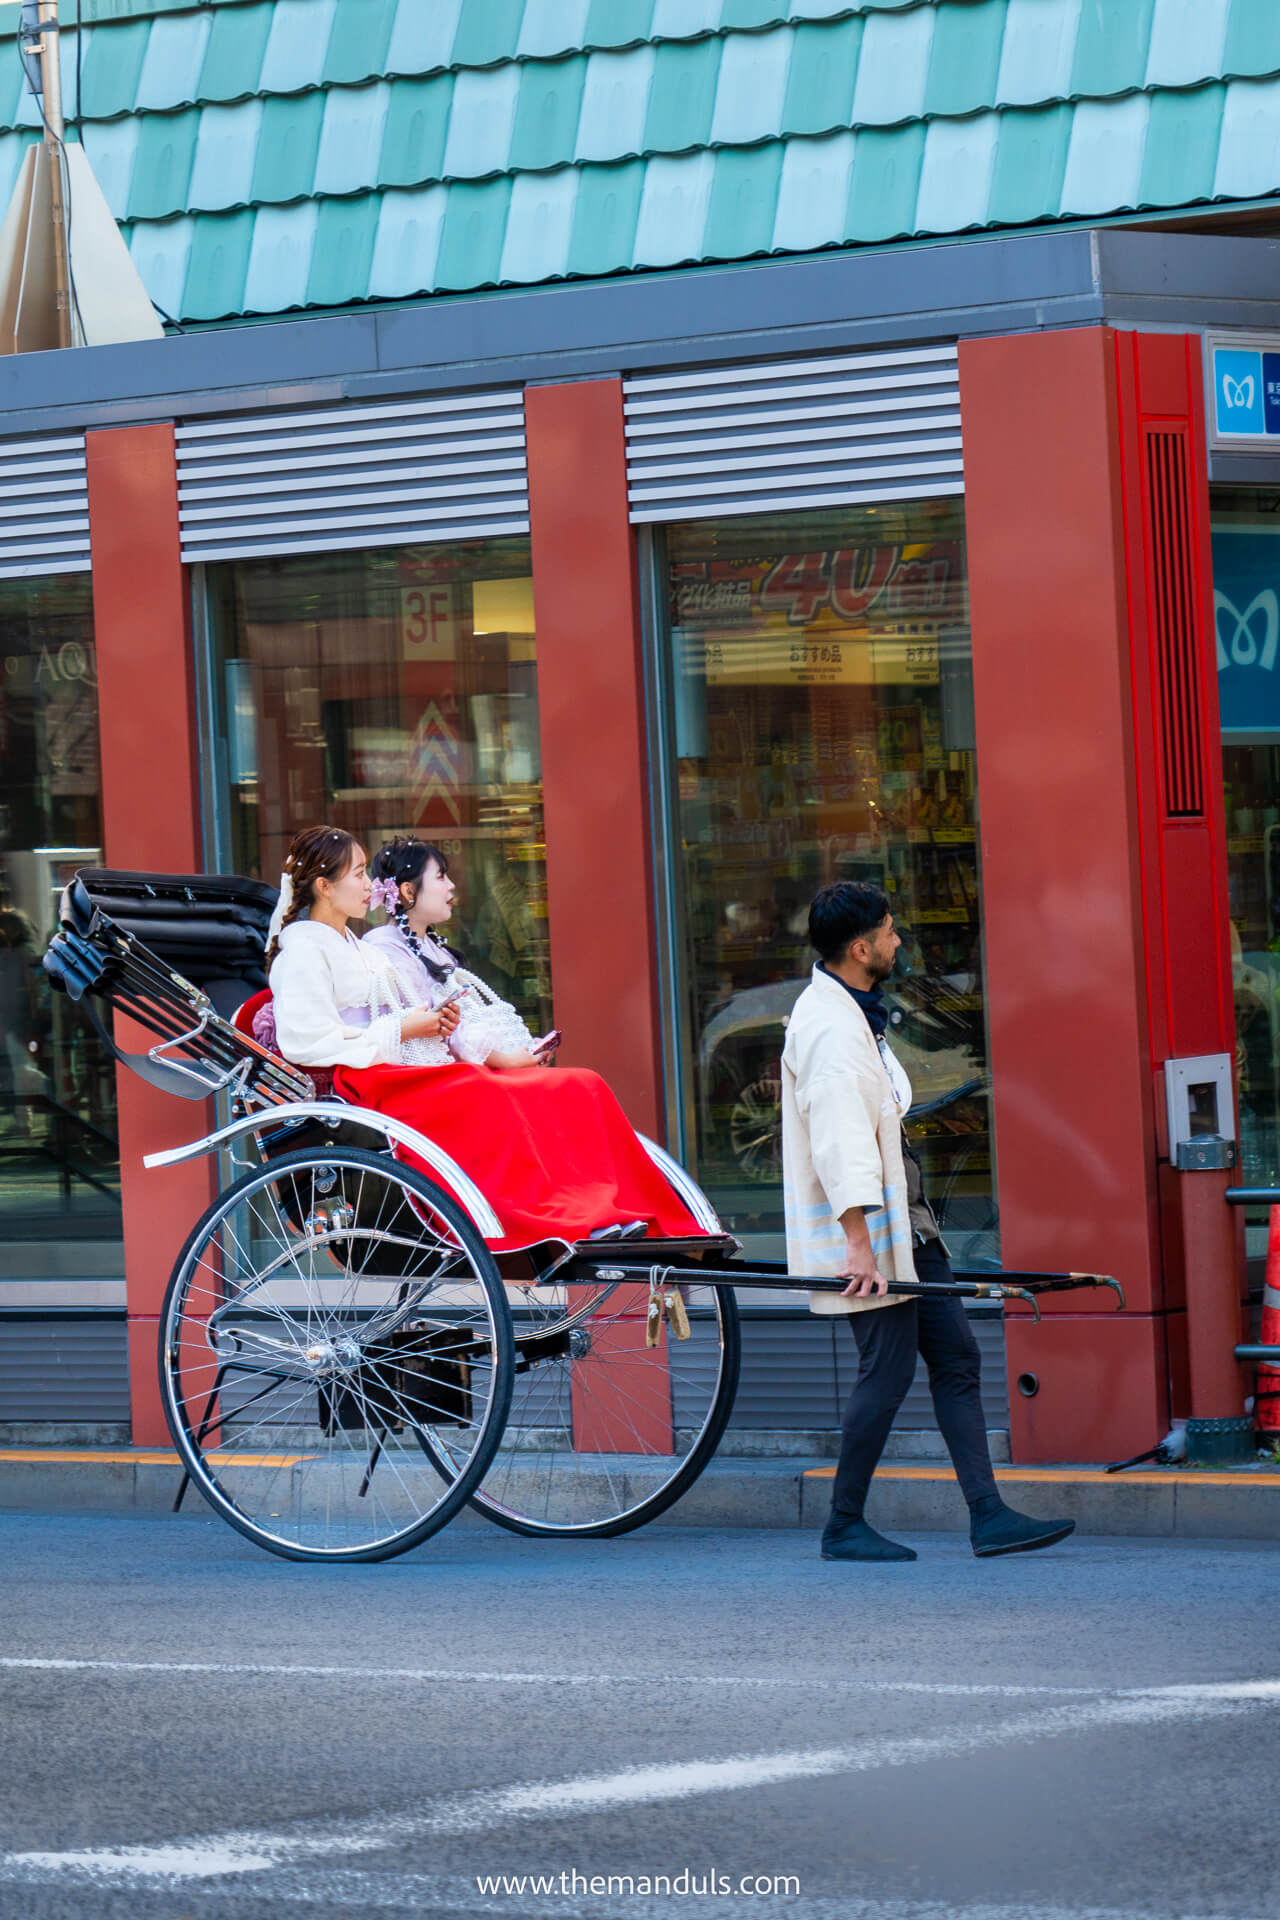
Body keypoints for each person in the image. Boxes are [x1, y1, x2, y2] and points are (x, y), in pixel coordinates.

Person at [781, 880, 1075, 1563]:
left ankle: (988, 1514)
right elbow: (837, 1141)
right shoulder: (826, 1027)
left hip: (906, 1224)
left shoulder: (854, 1009)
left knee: (956, 1357)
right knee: (885, 1371)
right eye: (889, 931)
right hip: (874, 1235)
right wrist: (859, 1247)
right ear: (861, 948)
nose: (898, 940)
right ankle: (843, 1525)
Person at [264, 825, 699, 1253]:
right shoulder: (303, 950)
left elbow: (396, 1010)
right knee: (481, 1092)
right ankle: (552, 1218)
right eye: (358, 873)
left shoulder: (355, 945)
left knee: (572, 1084)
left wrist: (430, 1022)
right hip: (361, 1081)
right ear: (324, 886)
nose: (369, 884)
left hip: (392, 1065)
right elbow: (307, 1042)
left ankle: (604, 1208)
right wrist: (404, 1029)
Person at [361, 836, 556, 1071]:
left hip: (460, 1070)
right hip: (429, 1077)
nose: (451, 885)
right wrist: (507, 1060)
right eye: (440, 876)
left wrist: (519, 1050)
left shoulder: (432, 948)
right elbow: (440, 1024)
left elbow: (462, 1024)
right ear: (408, 890)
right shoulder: (385, 946)